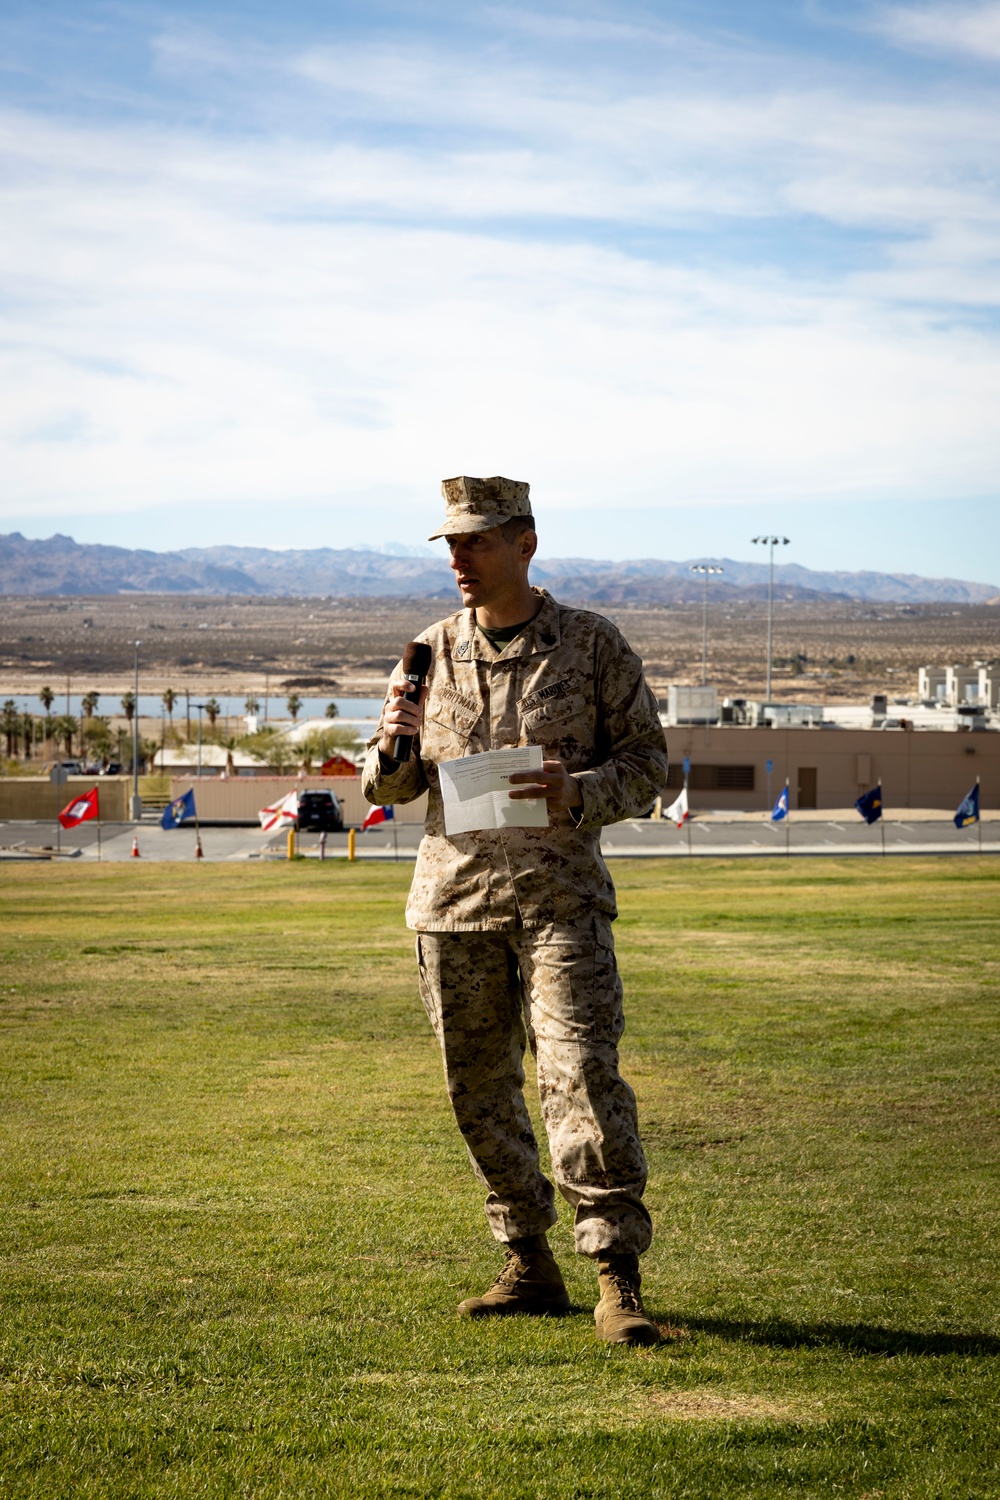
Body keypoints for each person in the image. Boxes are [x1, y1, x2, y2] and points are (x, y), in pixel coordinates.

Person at [362, 475, 669, 1346]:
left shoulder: (591, 645)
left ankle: (616, 1275)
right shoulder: (427, 651)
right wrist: (391, 743)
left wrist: (581, 789)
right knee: (479, 1091)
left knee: (580, 1077)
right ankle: (527, 1262)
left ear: (525, 543)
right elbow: (387, 788)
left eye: (478, 541)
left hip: (559, 905)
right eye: (451, 544)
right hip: (452, 906)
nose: (459, 558)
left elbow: (649, 766)